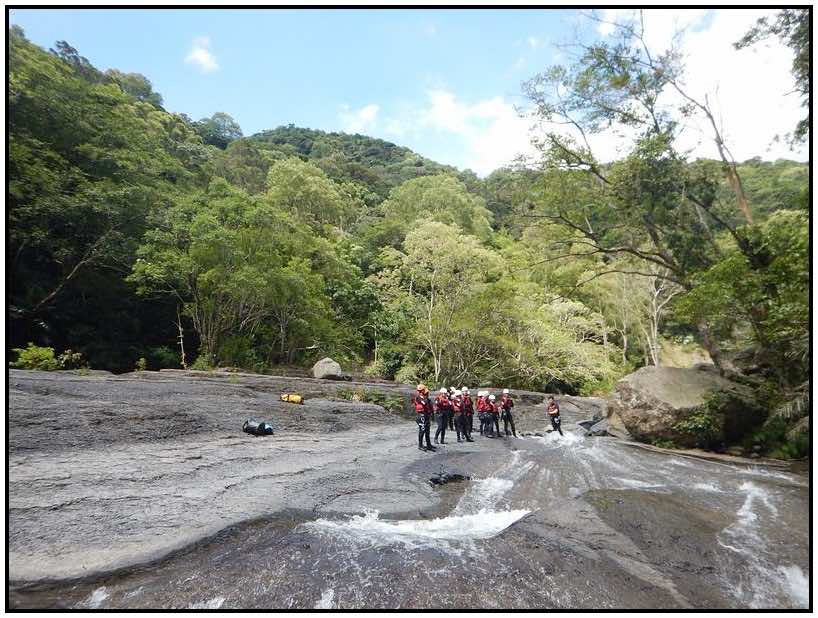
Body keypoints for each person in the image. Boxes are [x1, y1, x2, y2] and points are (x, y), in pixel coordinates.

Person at [414, 384, 435, 451]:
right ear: (421, 390)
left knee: (427, 431)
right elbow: (424, 403)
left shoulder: (425, 397)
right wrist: (425, 397)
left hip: (426, 415)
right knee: (422, 430)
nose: (426, 391)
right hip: (421, 416)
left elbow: (429, 405)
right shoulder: (418, 398)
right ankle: (420, 445)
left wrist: (432, 414)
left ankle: (429, 445)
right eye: (424, 390)